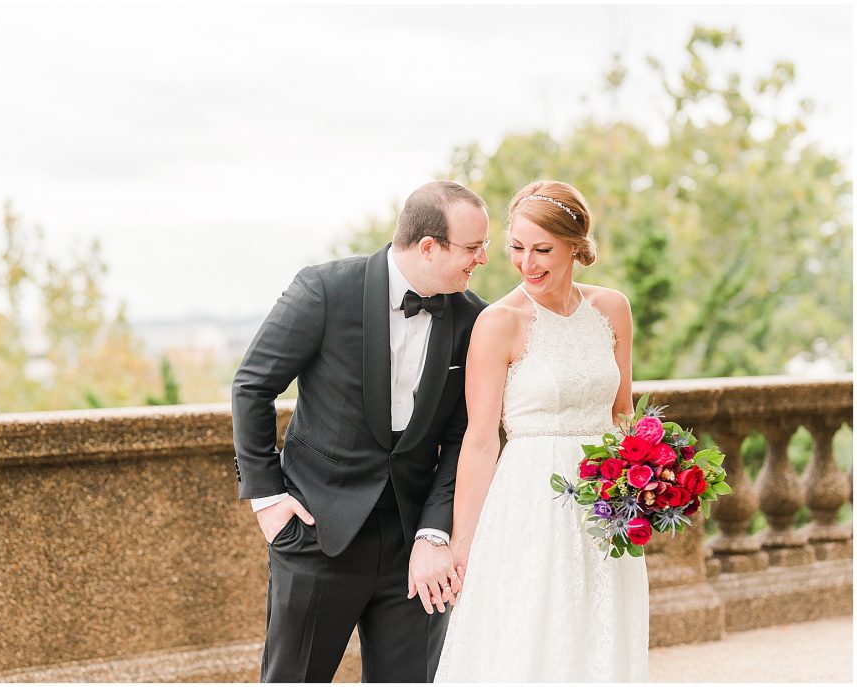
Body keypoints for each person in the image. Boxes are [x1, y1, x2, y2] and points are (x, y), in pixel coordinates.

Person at [232, 181, 490, 682]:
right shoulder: (325, 290)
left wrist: (435, 532)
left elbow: (465, 436)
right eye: (473, 247)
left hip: (416, 550)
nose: (482, 258)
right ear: (429, 246)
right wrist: (267, 499)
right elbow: (252, 386)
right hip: (316, 532)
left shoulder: (472, 318)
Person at [434, 180, 649, 682]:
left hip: (606, 503)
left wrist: (648, 486)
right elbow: (481, 440)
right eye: (516, 248)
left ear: (575, 245)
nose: (527, 263)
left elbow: (622, 415)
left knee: (600, 634)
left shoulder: (612, 309)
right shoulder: (499, 323)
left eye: (542, 249)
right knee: (533, 636)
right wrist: (463, 543)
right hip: (532, 504)